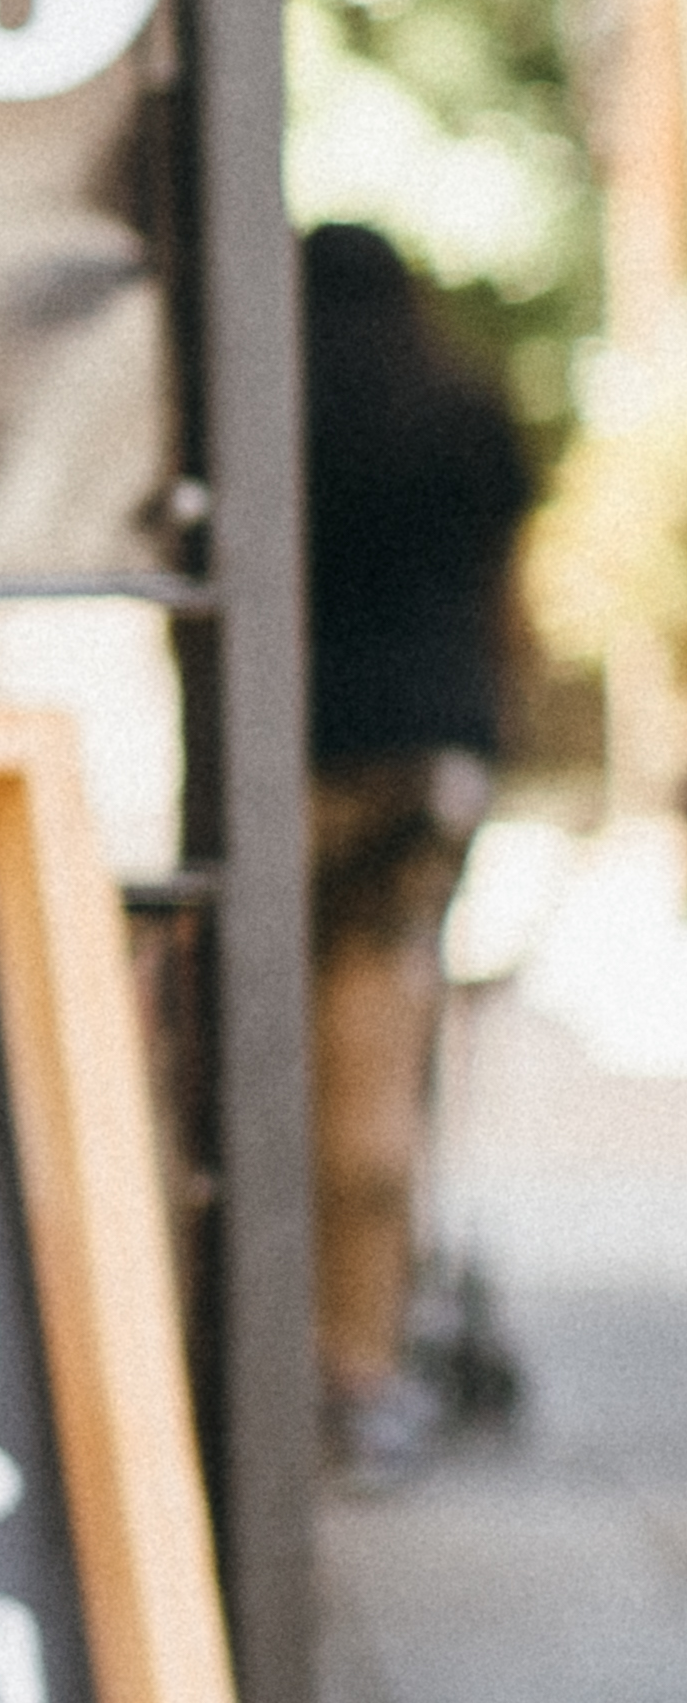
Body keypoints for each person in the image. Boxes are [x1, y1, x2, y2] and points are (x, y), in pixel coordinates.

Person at [304, 217, 536, 1470]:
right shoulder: (462, 413)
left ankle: (292, 1348)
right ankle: (361, 1364)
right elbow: (510, 606)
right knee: (382, 1057)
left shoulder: (266, 414)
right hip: (427, 765)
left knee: (267, 1054)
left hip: (285, 756)